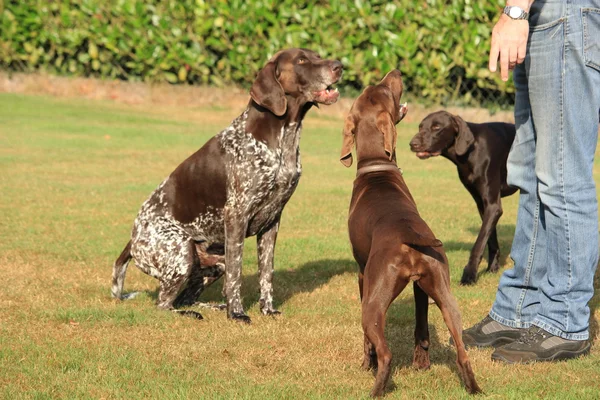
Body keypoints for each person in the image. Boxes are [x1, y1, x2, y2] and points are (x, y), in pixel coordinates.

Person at [461, 0, 600, 363]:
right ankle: (520, 305)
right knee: (530, 174)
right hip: (550, 18)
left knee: (563, 177)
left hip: (563, 15)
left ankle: (565, 320)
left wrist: (515, 11)